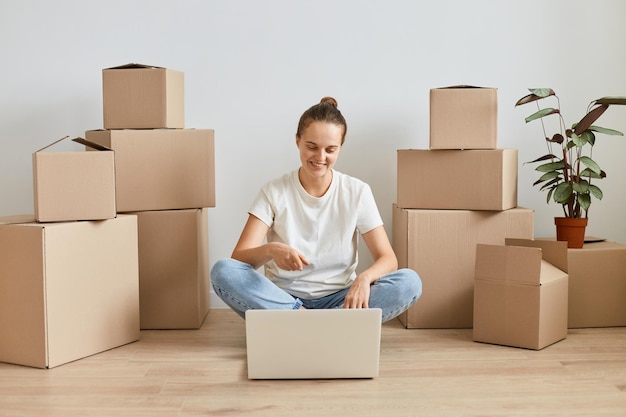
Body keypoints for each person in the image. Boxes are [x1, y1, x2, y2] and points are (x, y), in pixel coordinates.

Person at [211, 97, 422, 323]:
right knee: (223, 270)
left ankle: (303, 326)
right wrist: (271, 250)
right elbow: (239, 259)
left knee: (409, 282)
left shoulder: (357, 191)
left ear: (340, 147)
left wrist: (364, 278)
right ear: (297, 141)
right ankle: (319, 324)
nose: (320, 158)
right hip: (282, 298)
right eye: (311, 147)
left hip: (340, 299)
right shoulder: (273, 191)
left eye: (330, 149)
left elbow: (388, 259)